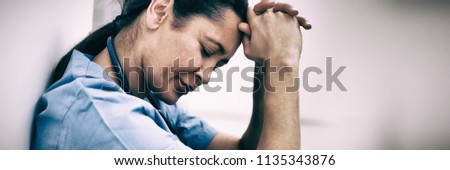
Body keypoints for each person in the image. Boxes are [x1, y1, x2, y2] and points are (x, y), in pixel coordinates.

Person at [32, 0, 311, 150]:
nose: (207, 77)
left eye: (218, 65)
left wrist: (266, 60)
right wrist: (283, 62)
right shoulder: (108, 119)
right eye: (206, 49)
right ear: (160, 10)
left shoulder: (147, 93)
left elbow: (242, 151)